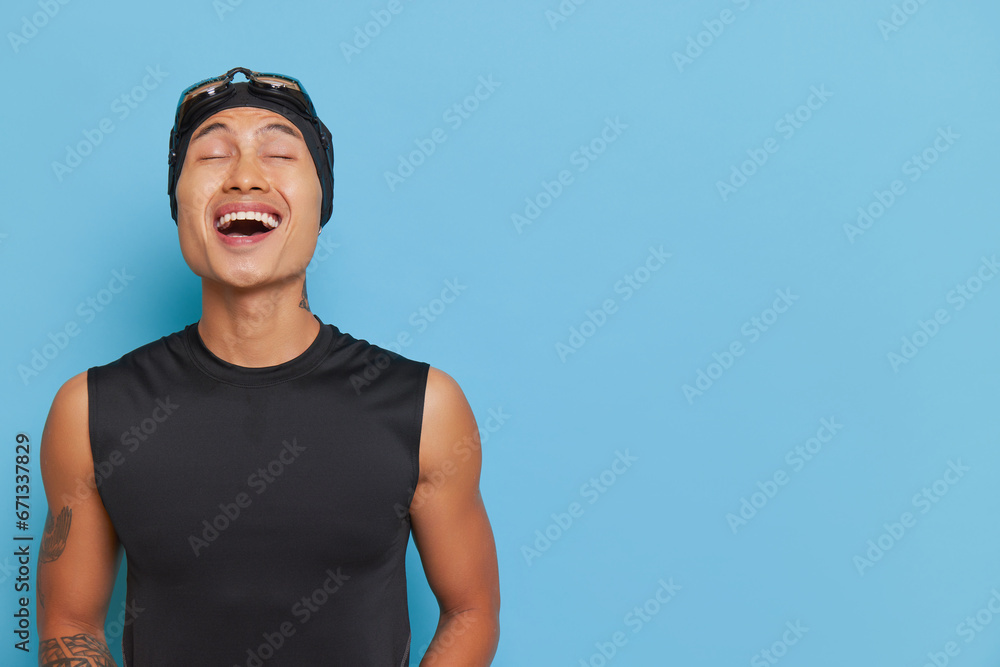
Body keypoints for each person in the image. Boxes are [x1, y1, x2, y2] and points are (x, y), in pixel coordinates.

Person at [36, 67, 500, 666]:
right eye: (212, 156)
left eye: (279, 154)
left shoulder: (425, 407)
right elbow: (68, 623)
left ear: (321, 199)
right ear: (177, 203)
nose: (245, 176)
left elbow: (471, 610)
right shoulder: (90, 411)